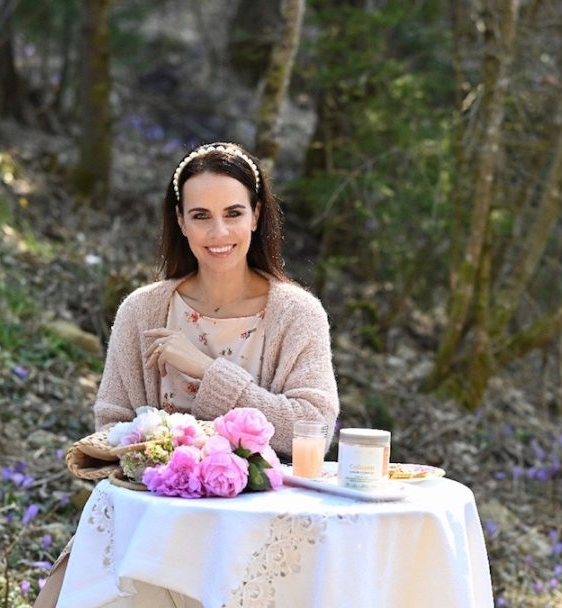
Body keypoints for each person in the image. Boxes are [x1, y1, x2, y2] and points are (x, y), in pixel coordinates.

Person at [34, 142, 340, 607]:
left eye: (233, 213)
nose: (219, 232)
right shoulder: (142, 311)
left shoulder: (298, 314)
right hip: (152, 528)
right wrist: (172, 457)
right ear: (180, 221)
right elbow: (111, 426)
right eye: (201, 216)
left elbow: (312, 426)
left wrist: (208, 371)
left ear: (256, 215)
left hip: (258, 535)